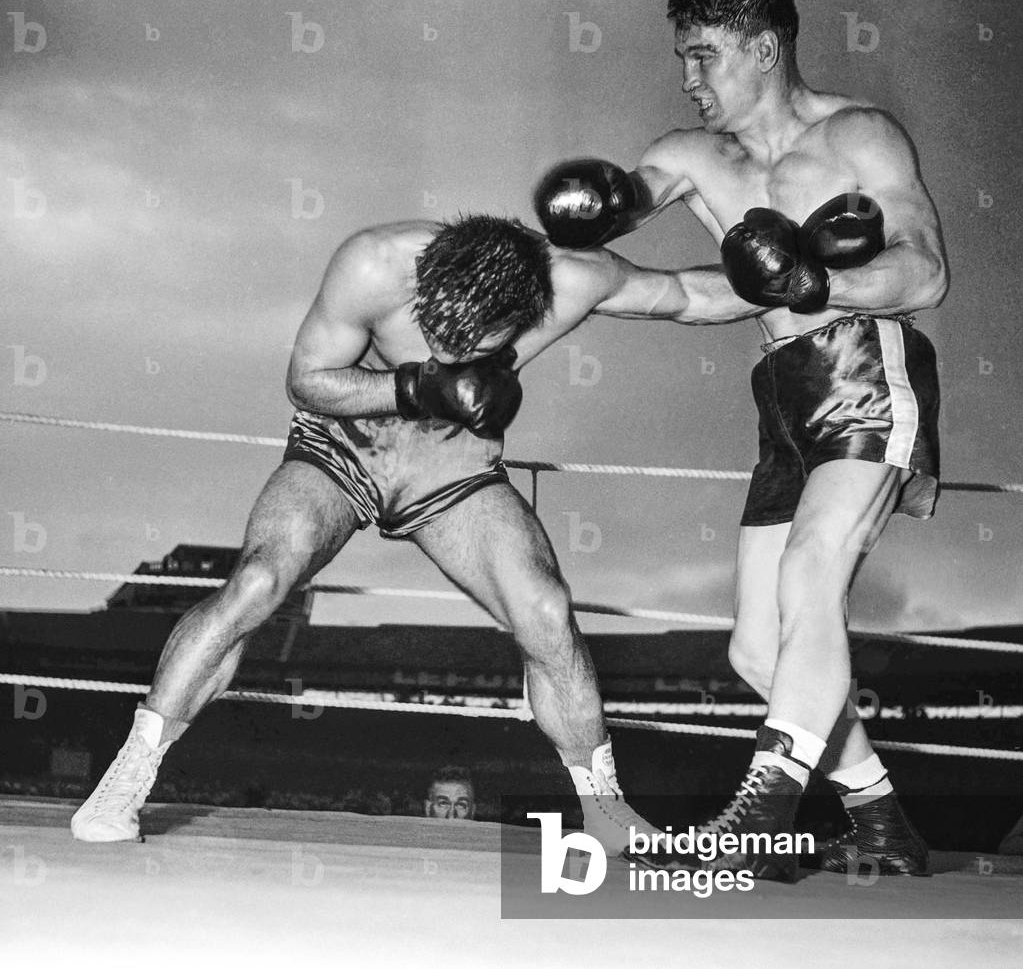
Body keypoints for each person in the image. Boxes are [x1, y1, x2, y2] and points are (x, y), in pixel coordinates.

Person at [70, 213, 747, 855]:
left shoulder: (575, 279)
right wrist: (417, 386)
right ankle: (126, 777)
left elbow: (687, 294)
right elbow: (306, 382)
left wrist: (813, 287)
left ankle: (605, 814)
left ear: (519, 314)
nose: (446, 352)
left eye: (469, 347)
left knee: (544, 609)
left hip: (452, 471)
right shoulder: (375, 261)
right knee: (256, 581)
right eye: (433, 332)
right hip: (342, 451)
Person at [535, 0, 947, 881]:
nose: (688, 77)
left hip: (863, 362)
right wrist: (597, 215)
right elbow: (641, 204)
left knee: (814, 570)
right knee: (756, 646)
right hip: (780, 395)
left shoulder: (859, 136)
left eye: (705, 54)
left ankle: (759, 814)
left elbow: (926, 271)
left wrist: (816, 280)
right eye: (680, 56)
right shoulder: (692, 158)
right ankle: (882, 821)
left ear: (763, 49)